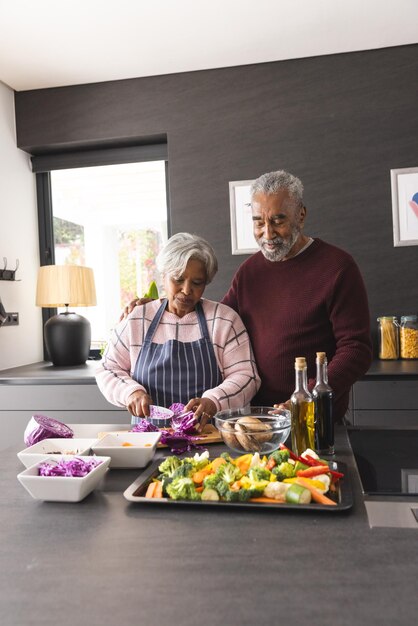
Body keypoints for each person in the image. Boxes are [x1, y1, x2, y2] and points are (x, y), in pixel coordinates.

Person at [221, 169, 372, 421]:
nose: (267, 234)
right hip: (260, 420)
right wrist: (158, 308)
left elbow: (356, 349)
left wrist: (306, 397)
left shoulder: (338, 267)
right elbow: (218, 322)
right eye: (259, 222)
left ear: (301, 215)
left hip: (316, 418)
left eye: (278, 221)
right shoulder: (248, 273)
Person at [96, 232, 260, 429]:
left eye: (197, 283)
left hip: (207, 437)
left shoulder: (224, 320)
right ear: (163, 276)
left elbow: (246, 376)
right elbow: (108, 368)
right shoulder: (137, 319)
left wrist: (214, 401)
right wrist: (130, 392)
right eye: (178, 279)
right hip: (149, 440)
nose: (186, 290)